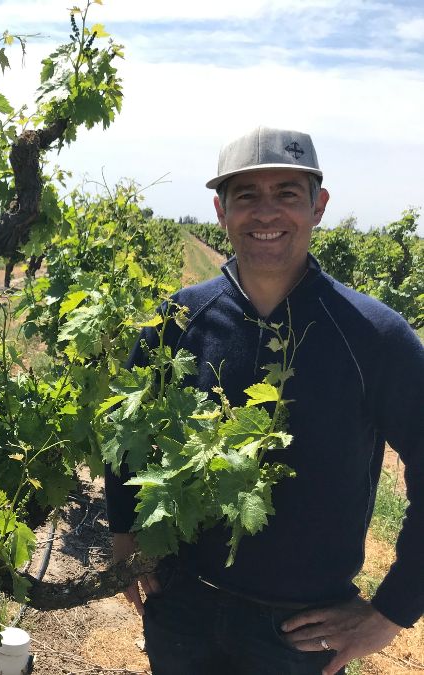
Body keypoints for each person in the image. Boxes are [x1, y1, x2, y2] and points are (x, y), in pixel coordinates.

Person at [105, 126, 424, 675]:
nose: (266, 213)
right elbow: (125, 433)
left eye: (287, 194)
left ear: (318, 206)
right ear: (220, 211)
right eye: (247, 195)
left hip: (302, 630)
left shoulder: (375, 337)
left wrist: (393, 611)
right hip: (181, 606)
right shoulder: (177, 322)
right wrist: (124, 532)